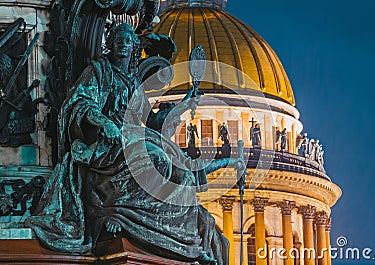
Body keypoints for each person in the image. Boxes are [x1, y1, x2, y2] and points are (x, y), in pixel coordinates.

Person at [27, 23, 244, 265]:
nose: (123, 44)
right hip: (107, 144)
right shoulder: (98, 70)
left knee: (184, 175)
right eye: (118, 40)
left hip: (132, 139)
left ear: (133, 47)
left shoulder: (132, 82)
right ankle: (121, 213)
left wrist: (184, 103)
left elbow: (151, 121)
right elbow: (81, 103)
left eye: (128, 41)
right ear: (110, 44)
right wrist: (105, 123)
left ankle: (187, 241)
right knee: (158, 159)